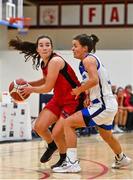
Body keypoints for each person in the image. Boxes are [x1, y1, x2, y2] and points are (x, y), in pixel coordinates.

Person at [51, 34, 132, 173]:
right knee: (107, 135)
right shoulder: (86, 61)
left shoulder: (88, 60)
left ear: (85, 48)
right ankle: (121, 158)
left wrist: (78, 91)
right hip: (105, 103)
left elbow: (94, 80)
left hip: (103, 105)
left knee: (68, 123)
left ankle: (72, 162)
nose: (72, 49)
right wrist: (87, 94)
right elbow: (94, 81)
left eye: (75, 46)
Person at [9, 35, 84, 169]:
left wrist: (31, 89)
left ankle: (64, 159)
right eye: (41, 45)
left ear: (51, 47)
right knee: (39, 126)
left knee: (56, 132)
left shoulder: (55, 61)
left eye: (47, 45)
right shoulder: (44, 62)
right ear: (37, 49)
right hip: (58, 99)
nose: (45, 47)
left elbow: (48, 87)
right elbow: (45, 80)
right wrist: (26, 84)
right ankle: (52, 145)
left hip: (72, 100)